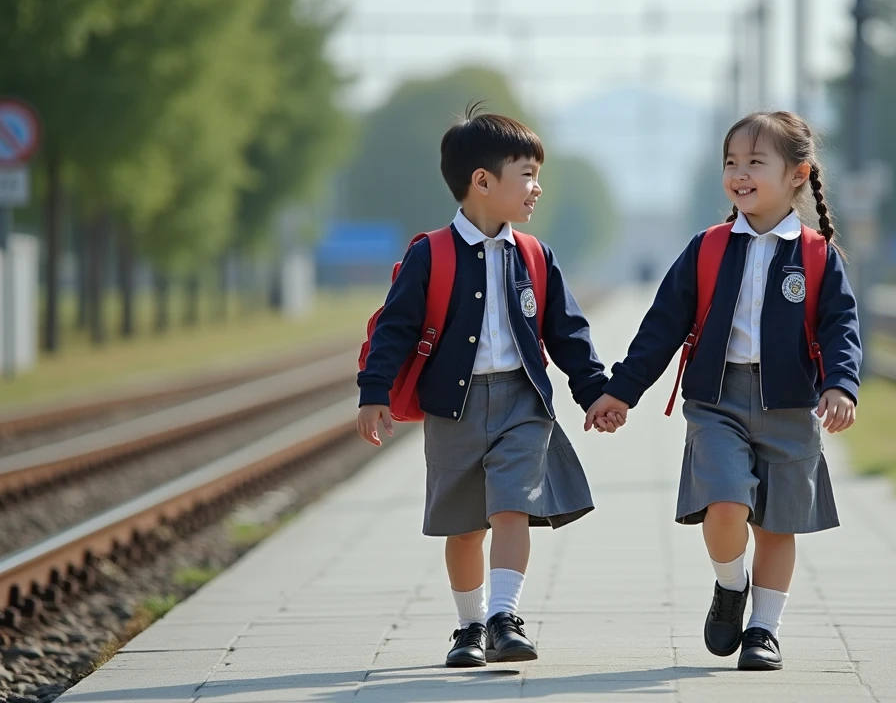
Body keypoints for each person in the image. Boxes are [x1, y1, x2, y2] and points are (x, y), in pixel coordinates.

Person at [585, 110, 862, 671]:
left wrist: (841, 386)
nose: (739, 173)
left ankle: (764, 631)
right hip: (718, 403)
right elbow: (661, 328)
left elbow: (841, 328)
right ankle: (731, 586)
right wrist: (621, 391)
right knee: (726, 504)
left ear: (797, 174)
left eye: (755, 162)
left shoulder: (817, 256)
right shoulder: (707, 248)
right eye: (731, 162)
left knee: (778, 526)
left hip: (790, 406)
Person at [357, 105, 621, 668]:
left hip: (523, 404)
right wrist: (373, 392)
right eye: (526, 174)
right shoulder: (430, 254)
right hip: (452, 408)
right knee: (463, 527)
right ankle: (470, 625)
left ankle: (505, 616)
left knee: (512, 507)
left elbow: (567, 333)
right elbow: (395, 329)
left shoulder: (535, 256)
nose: (536, 187)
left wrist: (595, 391)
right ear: (482, 181)